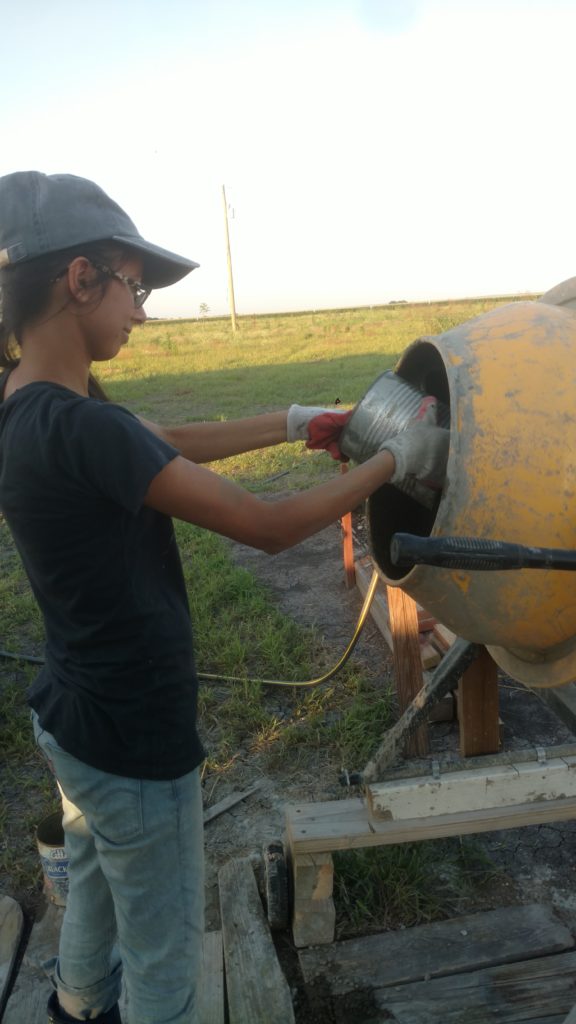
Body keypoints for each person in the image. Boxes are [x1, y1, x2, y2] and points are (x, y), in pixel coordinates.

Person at [0, 171, 449, 1024]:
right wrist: (398, 458)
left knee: (93, 881)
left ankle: (75, 1006)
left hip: (70, 716)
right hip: (134, 740)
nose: (141, 313)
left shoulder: (31, 402)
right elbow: (269, 527)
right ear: (81, 279)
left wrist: (296, 420)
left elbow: (162, 440)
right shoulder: (84, 424)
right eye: (134, 287)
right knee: (165, 959)